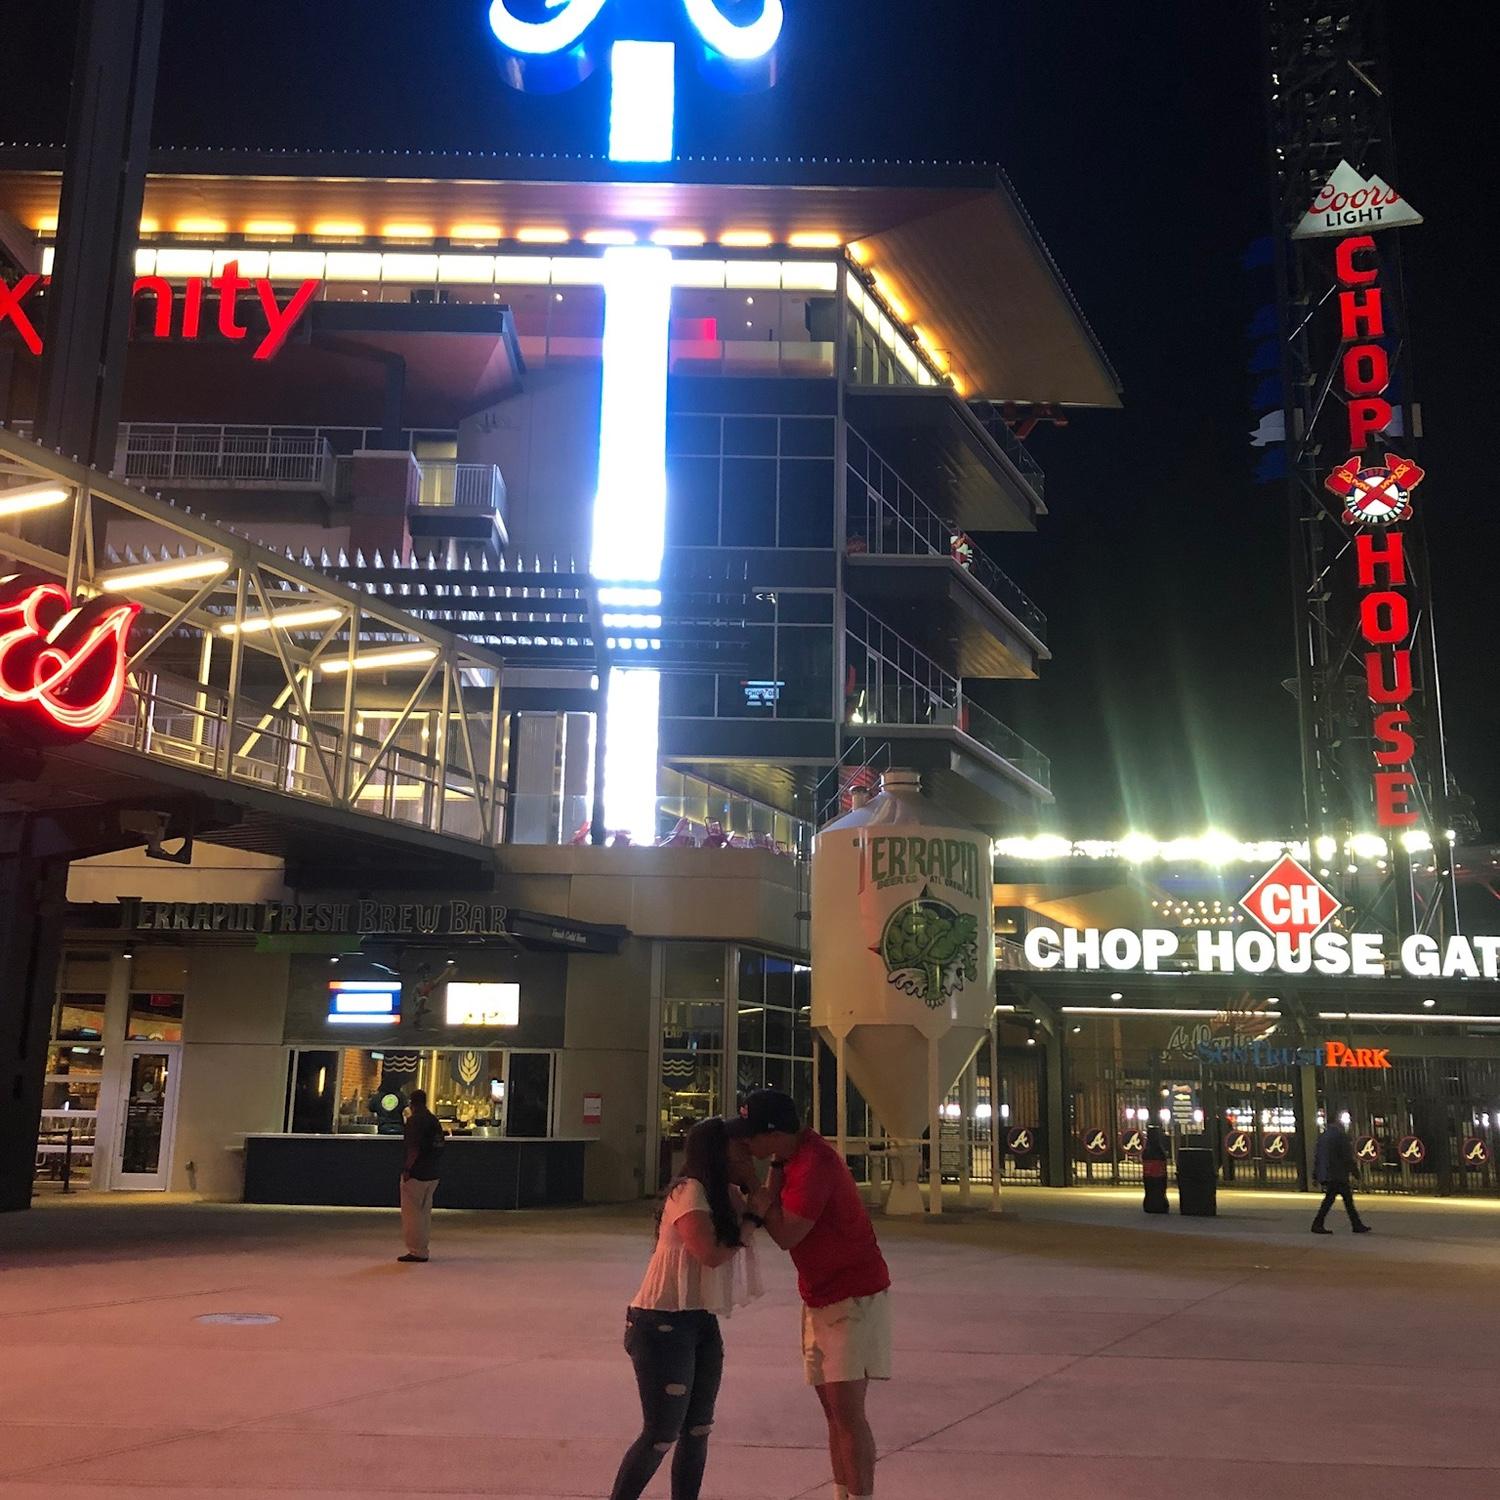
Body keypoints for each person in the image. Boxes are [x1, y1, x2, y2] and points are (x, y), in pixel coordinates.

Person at [730, 1088, 890, 1500]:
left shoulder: (814, 1164)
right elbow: (776, 1209)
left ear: (774, 1134)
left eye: (751, 1134)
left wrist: (753, 1182)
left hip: (851, 1297)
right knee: (834, 1414)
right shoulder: (791, 1157)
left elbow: (786, 1234)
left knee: (848, 1415)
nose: (745, 1142)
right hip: (820, 1294)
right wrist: (771, 1172)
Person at [610, 1117, 763, 1500]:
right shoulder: (690, 1192)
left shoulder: (726, 1194)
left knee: (698, 1430)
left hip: (700, 1320)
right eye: (740, 1149)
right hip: (661, 1323)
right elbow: (710, 1254)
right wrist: (750, 1221)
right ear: (718, 1151)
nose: (748, 1154)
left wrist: (756, 1185)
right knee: (661, 1433)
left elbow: (768, 1213)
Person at [398, 1089, 445, 1263]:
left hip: (417, 1173)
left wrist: (407, 1169)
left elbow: (413, 1148)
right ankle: (423, 1247)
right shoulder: (433, 1120)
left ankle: (417, 1250)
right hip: (433, 1172)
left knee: (412, 1214)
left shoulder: (415, 1121)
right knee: (424, 1213)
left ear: (412, 1103)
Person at [1311, 1119, 1371, 1235]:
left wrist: (1316, 1175)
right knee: (1342, 1200)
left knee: (1336, 1199)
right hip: (1338, 1173)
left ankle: (1356, 1224)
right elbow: (1346, 1157)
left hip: (1328, 1173)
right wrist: (1355, 1172)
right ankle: (1318, 1223)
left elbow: (1318, 1157)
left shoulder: (1323, 1136)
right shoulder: (1340, 1137)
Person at [1141, 1124, 1169, 1214]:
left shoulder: (1147, 1151)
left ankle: (1151, 1204)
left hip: (1150, 1182)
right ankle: (1160, 1204)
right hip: (1158, 1181)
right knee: (1158, 1185)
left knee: (1151, 1186)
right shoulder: (1159, 1150)